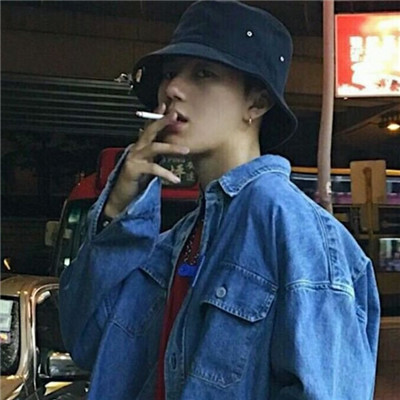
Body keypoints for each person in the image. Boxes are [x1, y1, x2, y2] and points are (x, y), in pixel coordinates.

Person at [59, 1, 380, 399]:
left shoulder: (293, 228)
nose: (172, 89)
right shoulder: (176, 242)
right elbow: (87, 339)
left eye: (203, 73)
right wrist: (119, 207)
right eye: (171, 73)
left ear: (256, 103)